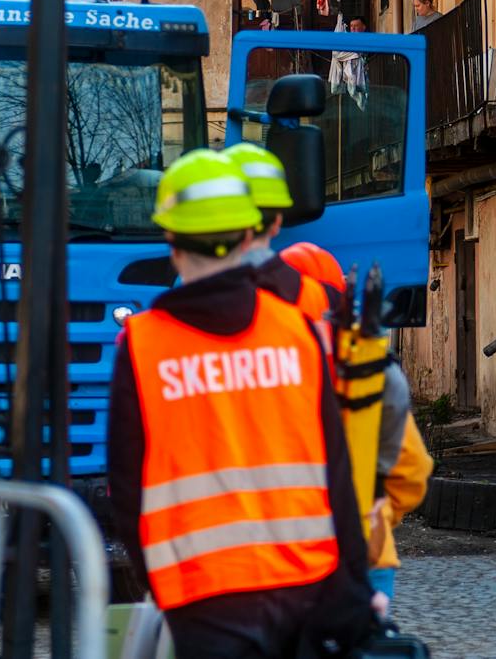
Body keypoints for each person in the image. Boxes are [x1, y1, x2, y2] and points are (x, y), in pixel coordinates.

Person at [106, 149, 373, 659]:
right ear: (249, 236)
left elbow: (127, 491)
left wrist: (162, 587)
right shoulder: (296, 331)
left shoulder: (140, 347)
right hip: (310, 589)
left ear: (170, 240)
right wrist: (352, 590)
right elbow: (338, 473)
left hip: (201, 599)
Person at [273, 242, 431, 616]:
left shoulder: (264, 367)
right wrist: (375, 516)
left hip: (282, 555)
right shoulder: (370, 363)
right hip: (368, 553)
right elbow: (412, 471)